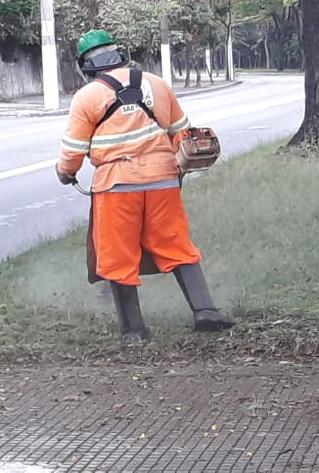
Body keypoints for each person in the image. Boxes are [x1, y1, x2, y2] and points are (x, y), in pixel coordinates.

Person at [56, 29, 235, 341]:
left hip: (116, 187)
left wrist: (65, 173)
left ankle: (134, 331)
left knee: (117, 255)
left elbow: (72, 154)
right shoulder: (157, 83)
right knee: (175, 244)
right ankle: (206, 311)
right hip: (163, 181)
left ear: (86, 66)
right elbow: (182, 133)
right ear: (119, 54)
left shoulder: (87, 97)